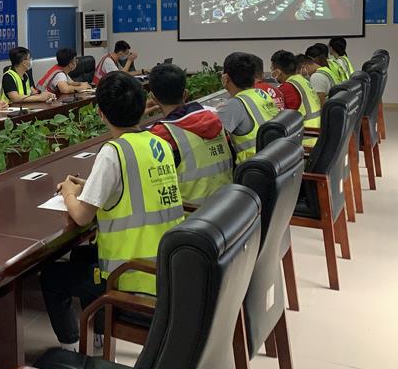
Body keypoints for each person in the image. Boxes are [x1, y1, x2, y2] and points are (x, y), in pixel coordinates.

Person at [39, 71, 183, 351]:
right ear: (143, 107)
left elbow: (82, 216)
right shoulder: (159, 144)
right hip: (165, 265)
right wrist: (91, 186)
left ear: (101, 113)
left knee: (52, 277)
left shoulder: (113, 152)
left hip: (130, 275)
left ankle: (72, 349)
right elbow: (136, 186)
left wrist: (68, 193)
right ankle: (98, 333)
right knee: (81, 256)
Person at [147, 64, 233, 207]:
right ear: (185, 94)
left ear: (153, 98)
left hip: (190, 215)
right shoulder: (215, 119)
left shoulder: (162, 135)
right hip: (228, 206)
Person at [216, 52, 280, 164]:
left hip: (253, 166)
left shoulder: (233, 105)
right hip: (275, 158)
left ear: (225, 77)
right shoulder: (261, 93)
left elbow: (213, 135)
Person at [271, 50, 321, 146]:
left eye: (272, 69)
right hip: (316, 135)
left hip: (304, 141)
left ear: (278, 72)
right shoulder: (303, 81)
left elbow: (280, 118)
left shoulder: (287, 88)